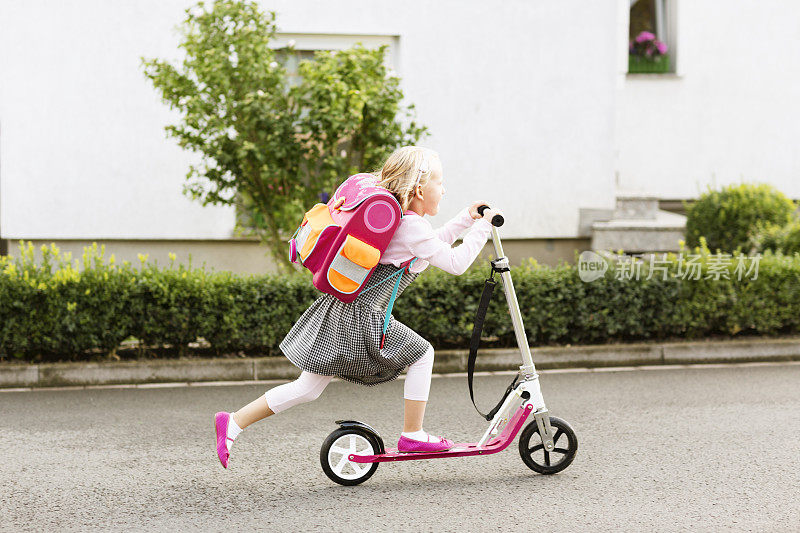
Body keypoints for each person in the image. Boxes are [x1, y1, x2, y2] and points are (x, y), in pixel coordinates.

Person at [214, 145, 498, 468]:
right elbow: (457, 262)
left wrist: (466, 218)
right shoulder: (411, 227)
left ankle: (232, 422)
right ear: (419, 189)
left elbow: (436, 241)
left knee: (306, 388)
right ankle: (413, 433)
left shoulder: (407, 224)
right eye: (439, 182)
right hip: (362, 316)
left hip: (345, 310)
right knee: (423, 353)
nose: (443, 190)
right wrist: (484, 229)